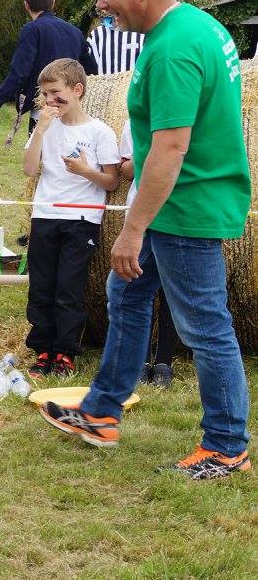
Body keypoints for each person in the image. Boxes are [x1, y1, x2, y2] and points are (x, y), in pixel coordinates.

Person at [41, 0, 251, 480]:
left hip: (183, 207)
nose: (102, 6)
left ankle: (227, 446)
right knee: (127, 294)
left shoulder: (173, 48)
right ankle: (101, 412)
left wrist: (131, 229)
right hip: (176, 199)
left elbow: (172, 148)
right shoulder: (199, 28)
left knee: (205, 325)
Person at [21, 59, 120, 377]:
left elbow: (112, 181)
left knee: (68, 287)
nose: (50, 101)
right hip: (45, 214)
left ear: (77, 91)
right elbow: (28, 169)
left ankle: (64, 352)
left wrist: (85, 171)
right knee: (41, 285)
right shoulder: (46, 126)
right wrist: (41, 130)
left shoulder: (99, 131)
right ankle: (43, 349)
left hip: (81, 220)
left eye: (56, 94)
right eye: (45, 94)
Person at [116, 118, 182, 388]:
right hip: (141, 214)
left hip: (177, 213)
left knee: (170, 292)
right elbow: (126, 171)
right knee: (137, 287)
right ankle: (139, 360)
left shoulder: (183, 119)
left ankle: (164, 360)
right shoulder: (134, 122)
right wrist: (150, 152)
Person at [0, 0, 98, 139]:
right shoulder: (74, 31)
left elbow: (19, 73)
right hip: (71, 107)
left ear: (26, 5)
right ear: (53, 3)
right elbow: (91, 70)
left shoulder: (32, 29)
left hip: (44, 106)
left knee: (41, 158)